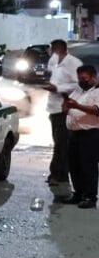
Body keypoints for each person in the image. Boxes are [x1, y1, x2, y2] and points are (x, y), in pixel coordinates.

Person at [41, 39, 82, 186]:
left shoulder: (73, 63)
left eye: (52, 49)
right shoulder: (54, 62)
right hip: (53, 107)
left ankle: (59, 174)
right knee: (58, 141)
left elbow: (77, 85)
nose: (50, 52)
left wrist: (58, 88)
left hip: (64, 107)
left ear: (58, 49)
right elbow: (51, 77)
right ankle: (58, 172)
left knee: (61, 143)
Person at [61, 65, 99, 208]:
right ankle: (78, 193)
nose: (82, 81)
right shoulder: (79, 90)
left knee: (88, 167)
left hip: (90, 134)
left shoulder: (97, 92)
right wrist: (66, 106)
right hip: (74, 134)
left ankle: (90, 197)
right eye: (80, 78)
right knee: (74, 166)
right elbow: (68, 105)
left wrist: (77, 106)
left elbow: (96, 110)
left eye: (85, 79)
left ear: (93, 77)